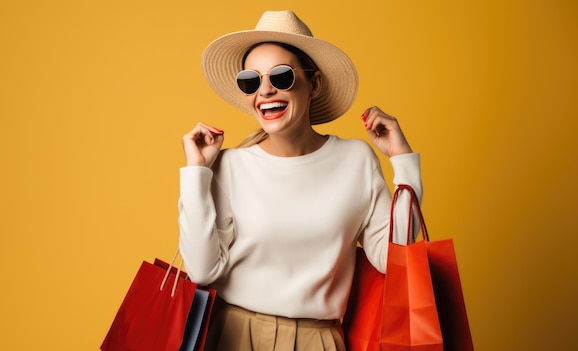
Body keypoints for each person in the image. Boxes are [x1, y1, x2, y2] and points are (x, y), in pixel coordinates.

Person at [179, 10, 422, 351]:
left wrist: (402, 161)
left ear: (315, 84)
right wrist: (196, 172)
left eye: (281, 76)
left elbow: (395, 258)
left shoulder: (356, 161)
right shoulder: (230, 165)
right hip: (233, 337)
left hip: (319, 341)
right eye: (251, 81)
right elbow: (202, 271)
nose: (265, 91)